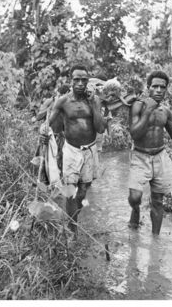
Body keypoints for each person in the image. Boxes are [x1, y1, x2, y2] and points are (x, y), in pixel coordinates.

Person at [127, 70, 172, 235]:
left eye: (162, 87)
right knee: (134, 198)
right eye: (155, 86)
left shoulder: (165, 111)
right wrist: (148, 111)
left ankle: (155, 241)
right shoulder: (137, 106)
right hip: (140, 156)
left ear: (166, 89)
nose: (159, 90)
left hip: (160, 156)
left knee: (158, 201)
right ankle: (136, 211)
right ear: (148, 88)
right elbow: (134, 134)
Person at [41, 64, 106, 236]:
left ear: (88, 81)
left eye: (83, 80)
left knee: (83, 191)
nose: (80, 83)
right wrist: (43, 132)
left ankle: (72, 218)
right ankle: (73, 229)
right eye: (76, 79)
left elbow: (100, 128)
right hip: (71, 150)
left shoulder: (94, 100)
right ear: (71, 80)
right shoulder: (63, 101)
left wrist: (93, 104)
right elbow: (48, 124)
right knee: (70, 190)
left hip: (90, 150)